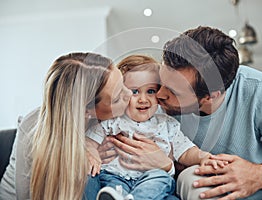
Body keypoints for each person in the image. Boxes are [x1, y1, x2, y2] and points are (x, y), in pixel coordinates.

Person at [108, 26, 262, 200]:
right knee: (192, 179)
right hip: (199, 189)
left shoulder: (261, 93)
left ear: (209, 96)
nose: (158, 95)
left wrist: (260, 176)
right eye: (160, 82)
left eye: (173, 92)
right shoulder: (150, 102)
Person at [86, 55, 228, 200]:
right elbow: (90, 142)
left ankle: (134, 198)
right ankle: (120, 196)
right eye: (135, 91)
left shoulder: (167, 124)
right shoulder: (113, 121)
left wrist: (203, 157)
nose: (143, 99)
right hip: (116, 176)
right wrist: (93, 153)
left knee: (161, 178)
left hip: (152, 179)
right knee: (106, 182)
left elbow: (186, 151)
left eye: (151, 91)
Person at [0, 52, 133, 200]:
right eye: (117, 98)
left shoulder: (114, 118)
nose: (129, 94)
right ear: (86, 111)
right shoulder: (33, 129)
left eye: (124, 84)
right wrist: (81, 158)